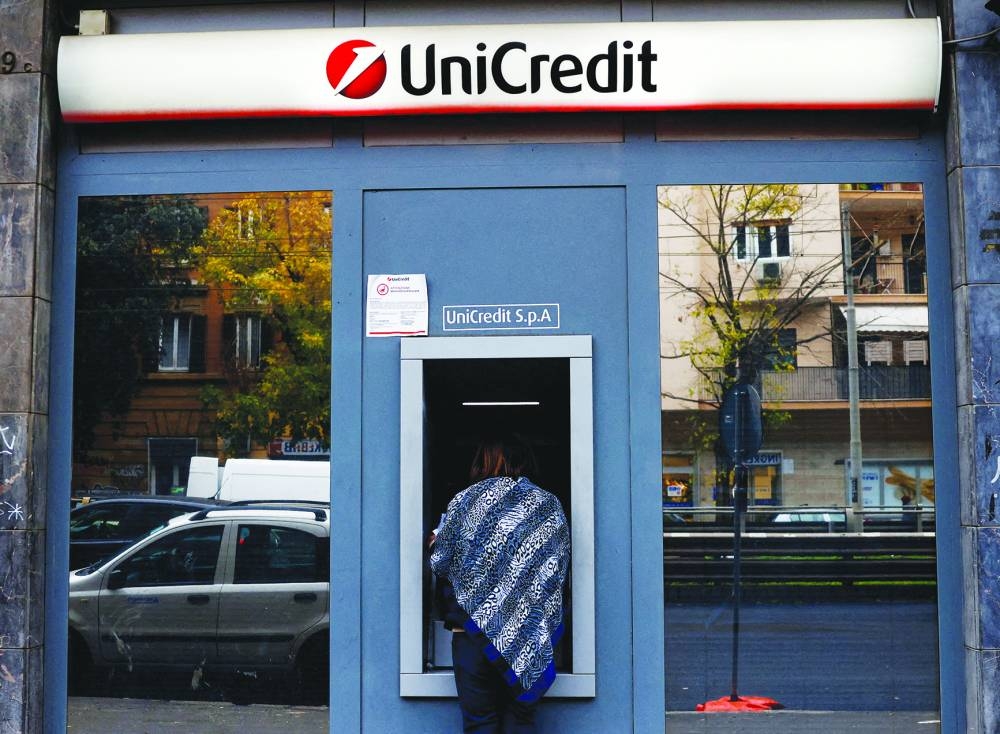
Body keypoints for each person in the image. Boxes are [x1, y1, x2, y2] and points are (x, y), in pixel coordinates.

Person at [430, 435, 570, 733]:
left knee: (479, 721)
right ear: (525, 460)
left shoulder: (464, 501)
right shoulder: (547, 504)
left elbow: (441, 562)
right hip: (529, 634)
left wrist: (434, 542)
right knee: (521, 719)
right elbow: (557, 569)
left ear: (482, 461)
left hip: (471, 631)